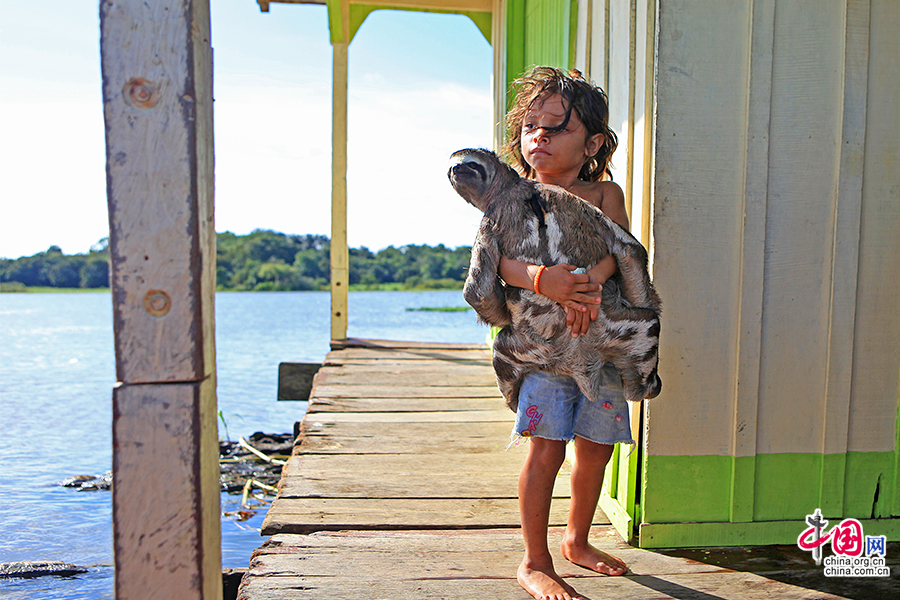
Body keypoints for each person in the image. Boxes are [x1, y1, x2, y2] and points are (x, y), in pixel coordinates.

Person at [497, 66, 631, 600]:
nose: (540, 137)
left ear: (592, 142)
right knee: (547, 447)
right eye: (532, 127)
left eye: (556, 127)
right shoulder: (513, 198)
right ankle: (534, 560)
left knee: (596, 447)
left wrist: (589, 283)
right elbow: (497, 262)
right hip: (543, 350)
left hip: (600, 347)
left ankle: (578, 540)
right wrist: (544, 281)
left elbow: (620, 251)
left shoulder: (604, 195)